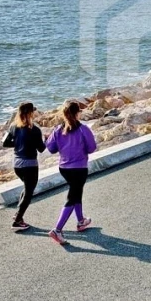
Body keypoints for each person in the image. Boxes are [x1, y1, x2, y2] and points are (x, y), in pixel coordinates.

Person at [46, 100, 98, 245]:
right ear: (77, 113)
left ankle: (81, 221)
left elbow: (50, 149)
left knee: (76, 193)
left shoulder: (57, 130)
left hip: (64, 169)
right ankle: (57, 230)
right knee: (72, 196)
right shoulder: (83, 129)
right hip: (79, 168)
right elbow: (92, 148)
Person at [3, 102, 46, 231]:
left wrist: (18, 144)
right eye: (33, 111)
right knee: (28, 192)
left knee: (26, 188)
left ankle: (18, 215)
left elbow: (5, 143)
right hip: (30, 165)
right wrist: (46, 139)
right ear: (30, 113)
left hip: (17, 164)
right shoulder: (35, 130)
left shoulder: (13, 127)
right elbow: (41, 149)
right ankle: (17, 221)